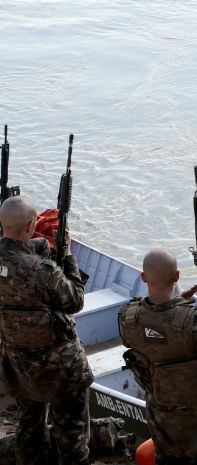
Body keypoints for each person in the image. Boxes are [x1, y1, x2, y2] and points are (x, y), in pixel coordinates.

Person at [119, 248, 197, 465]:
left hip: (163, 421)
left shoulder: (129, 319)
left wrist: (178, 304)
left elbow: (156, 330)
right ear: (177, 277)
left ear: (143, 278)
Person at [0, 196, 92, 465]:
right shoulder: (43, 271)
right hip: (61, 369)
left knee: (29, 430)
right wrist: (67, 254)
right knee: (72, 436)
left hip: (17, 364)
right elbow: (74, 300)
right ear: (31, 226)